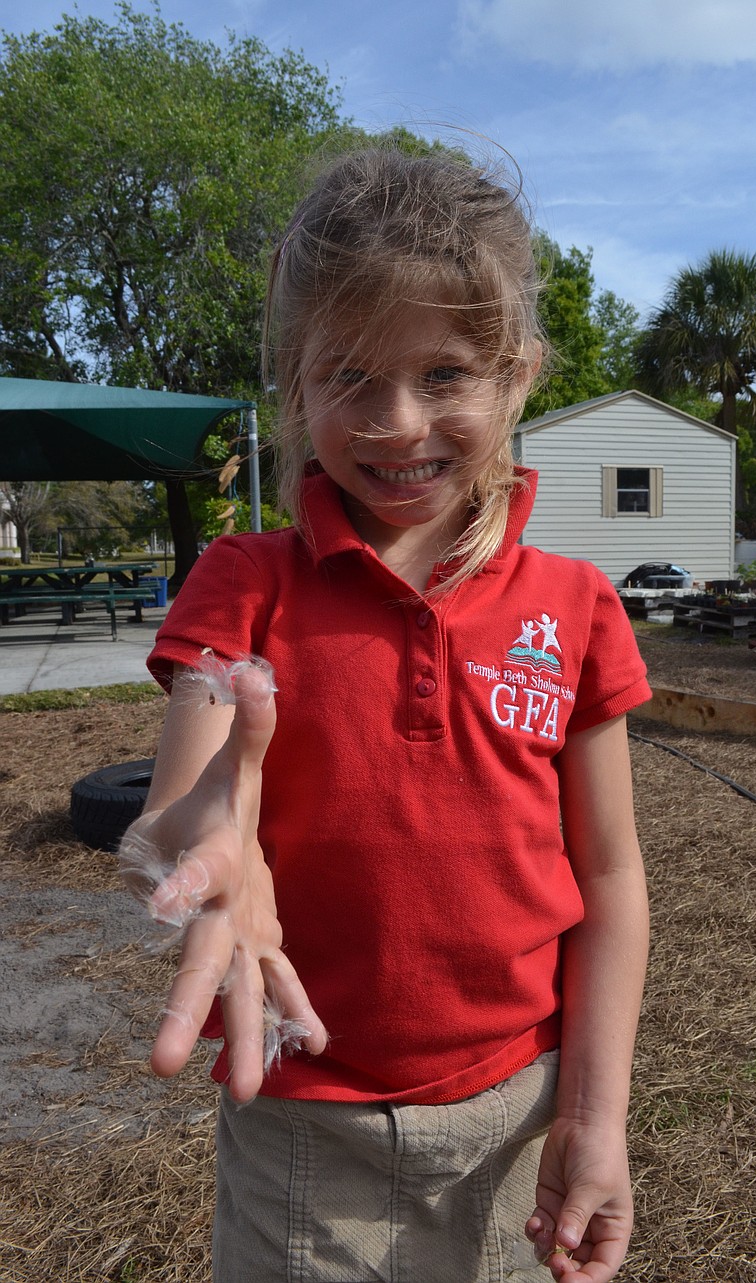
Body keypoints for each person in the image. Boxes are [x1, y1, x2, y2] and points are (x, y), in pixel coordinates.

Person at [124, 145, 651, 1283]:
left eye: (447, 372)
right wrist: (208, 845)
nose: (398, 420)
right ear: (296, 384)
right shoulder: (243, 582)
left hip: (521, 1119)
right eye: (349, 374)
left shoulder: (576, 606)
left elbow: (608, 877)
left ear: (518, 374)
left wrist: (596, 1117)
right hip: (301, 1131)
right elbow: (178, 809)